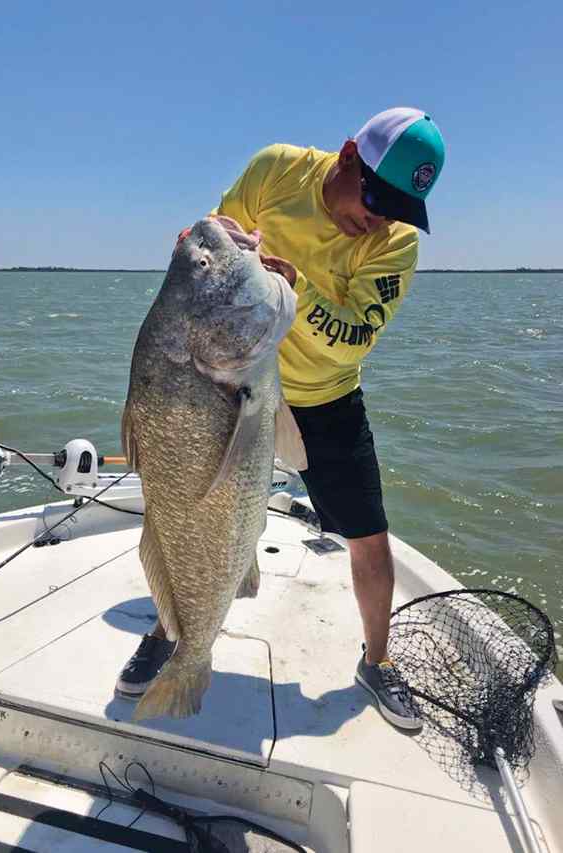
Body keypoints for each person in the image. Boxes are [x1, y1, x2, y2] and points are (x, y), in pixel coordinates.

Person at [116, 107, 445, 730]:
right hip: (224, 386)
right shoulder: (276, 169)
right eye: (375, 194)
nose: (378, 215)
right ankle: (171, 632)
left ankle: (377, 662)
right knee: (185, 514)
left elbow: (353, 340)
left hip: (323, 397)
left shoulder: (393, 243)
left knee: (370, 539)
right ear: (348, 154)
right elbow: (219, 236)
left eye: (399, 207)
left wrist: (302, 289)